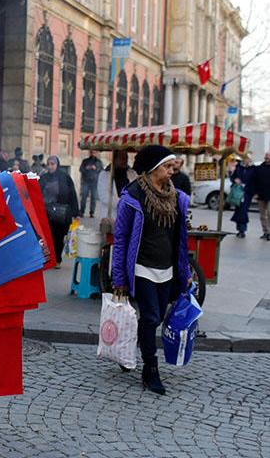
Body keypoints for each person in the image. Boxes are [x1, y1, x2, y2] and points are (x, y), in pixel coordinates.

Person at [112, 145, 190, 395]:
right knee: (151, 317)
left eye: (172, 167)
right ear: (154, 169)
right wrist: (119, 277)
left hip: (167, 269)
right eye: (167, 167)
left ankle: (130, 347)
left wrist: (185, 270)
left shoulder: (177, 197)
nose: (172, 171)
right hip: (141, 267)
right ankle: (151, 370)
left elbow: (181, 239)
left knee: (153, 319)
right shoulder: (133, 196)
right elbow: (121, 237)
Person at [39, 155, 79, 266]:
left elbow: (72, 194)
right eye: (49, 164)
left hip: (61, 213)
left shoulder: (65, 177)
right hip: (47, 212)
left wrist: (75, 212)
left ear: (57, 165)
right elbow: (37, 194)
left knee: (59, 236)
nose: (50, 166)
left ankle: (57, 259)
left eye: (53, 164)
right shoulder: (43, 178)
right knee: (48, 236)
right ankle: (49, 258)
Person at [95, 150, 138, 221]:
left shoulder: (132, 174)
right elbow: (104, 196)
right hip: (111, 216)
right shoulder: (104, 174)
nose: (125, 160)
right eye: (121, 158)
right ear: (114, 159)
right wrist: (123, 203)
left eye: (126, 157)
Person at [230, 155, 255, 238]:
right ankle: (239, 229)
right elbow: (232, 177)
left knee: (243, 211)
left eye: (248, 159)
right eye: (245, 158)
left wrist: (253, 190)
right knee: (238, 210)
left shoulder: (253, 169)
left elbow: (255, 180)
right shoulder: (238, 167)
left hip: (247, 193)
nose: (246, 160)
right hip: (238, 192)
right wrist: (235, 179)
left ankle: (242, 230)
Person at [250, 151, 270, 240]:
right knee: (263, 215)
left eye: (268, 156)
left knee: (269, 213)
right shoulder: (259, 168)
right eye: (266, 156)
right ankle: (266, 232)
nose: (266, 157)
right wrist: (254, 193)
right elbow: (254, 182)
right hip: (260, 195)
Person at [79, 150, 103, 218]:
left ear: (96, 153)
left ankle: (92, 213)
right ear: (89, 153)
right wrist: (86, 168)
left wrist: (96, 168)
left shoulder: (99, 162)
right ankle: (81, 212)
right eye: (91, 152)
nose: (93, 153)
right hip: (85, 181)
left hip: (94, 183)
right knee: (83, 197)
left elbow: (102, 171)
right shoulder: (85, 161)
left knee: (94, 198)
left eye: (94, 152)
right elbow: (80, 169)